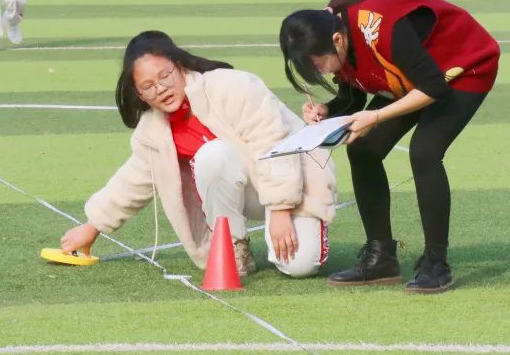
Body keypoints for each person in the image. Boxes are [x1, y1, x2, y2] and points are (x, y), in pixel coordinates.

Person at [60, 31, 337, 279]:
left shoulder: (231, 86)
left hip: (296, 180)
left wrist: (280, 210)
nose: (160, 89)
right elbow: (133, 180)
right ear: (140, 95)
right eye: (147, 87)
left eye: (165, 75)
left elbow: (274, 144)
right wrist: (92, 226)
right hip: (248, 190)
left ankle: (294, 226)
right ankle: (233, 247)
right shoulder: (154, 130)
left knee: (299, 266)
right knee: (212, 156)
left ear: (179, 66)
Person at [279, 0, 500, 294]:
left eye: (317, 64)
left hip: (463, 67)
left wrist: (377, 116)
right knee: (363, 148)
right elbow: (353, 96)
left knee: (425, 151)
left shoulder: (380, 27)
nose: (317, 71)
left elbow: (433, 88)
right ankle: (381, 257)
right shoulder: (331, 28)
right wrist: (326, 110)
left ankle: (436, 263)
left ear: (337, 41)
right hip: (412, 77)